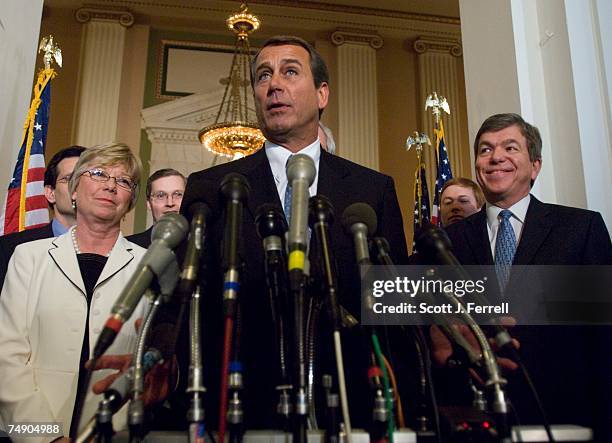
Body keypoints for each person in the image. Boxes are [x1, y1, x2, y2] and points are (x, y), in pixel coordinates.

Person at [171, 35, 410, 429]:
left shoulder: (372, 189)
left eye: (290, 72)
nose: (274, 84)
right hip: (241, 403)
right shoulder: (211, 187)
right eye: (263, 75)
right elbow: (189, 296)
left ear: (321, 94)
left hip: (349, 400)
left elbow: (392, 299)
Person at [437, 113, 612, 439]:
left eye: (510, 147)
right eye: (485, 149)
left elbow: (603, 338)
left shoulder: (580, 229)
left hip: (565, 415)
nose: (496, 157)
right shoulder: (447, 242)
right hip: (473, 417)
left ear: (535, 165)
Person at [0, 142, 149, 442]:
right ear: (75, 190)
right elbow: (6, 355)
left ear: (130, 199)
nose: (110, 186)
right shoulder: (28, 257)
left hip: (114, 433)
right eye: (99, 174)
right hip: (28, 432)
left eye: (123, 181)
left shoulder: (150, 265)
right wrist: (46, 437)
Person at [0, 145, 86, 291]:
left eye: (85, 179)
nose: (79, 186)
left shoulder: (113, 250)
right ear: (50, 193)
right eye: (69, 178)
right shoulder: (9, 248)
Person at [127, 168, 186, 248]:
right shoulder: (129, 246)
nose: (170, 203)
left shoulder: (206, 249)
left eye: (178, 194)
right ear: (148, 203)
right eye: (160, 195)